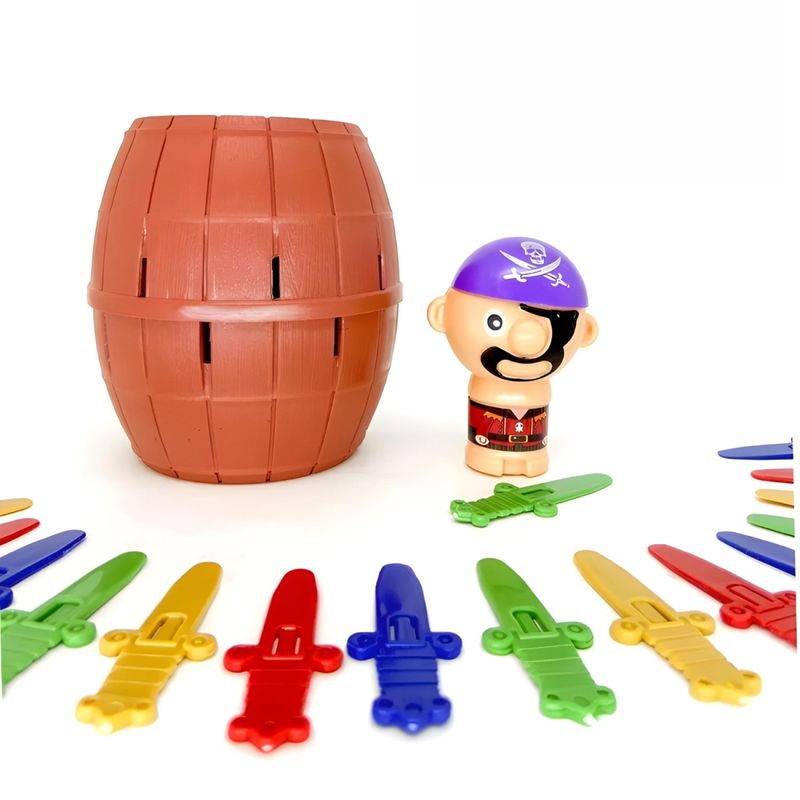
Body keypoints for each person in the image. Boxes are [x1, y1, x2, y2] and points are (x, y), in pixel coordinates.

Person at [427, 236, 597, 477]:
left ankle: (530, 454)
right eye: (494, 322)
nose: (527, 343)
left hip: (535, 451)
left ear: (586, 332)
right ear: (442, 315)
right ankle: (485, 452)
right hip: (485, 446)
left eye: (559, 330)